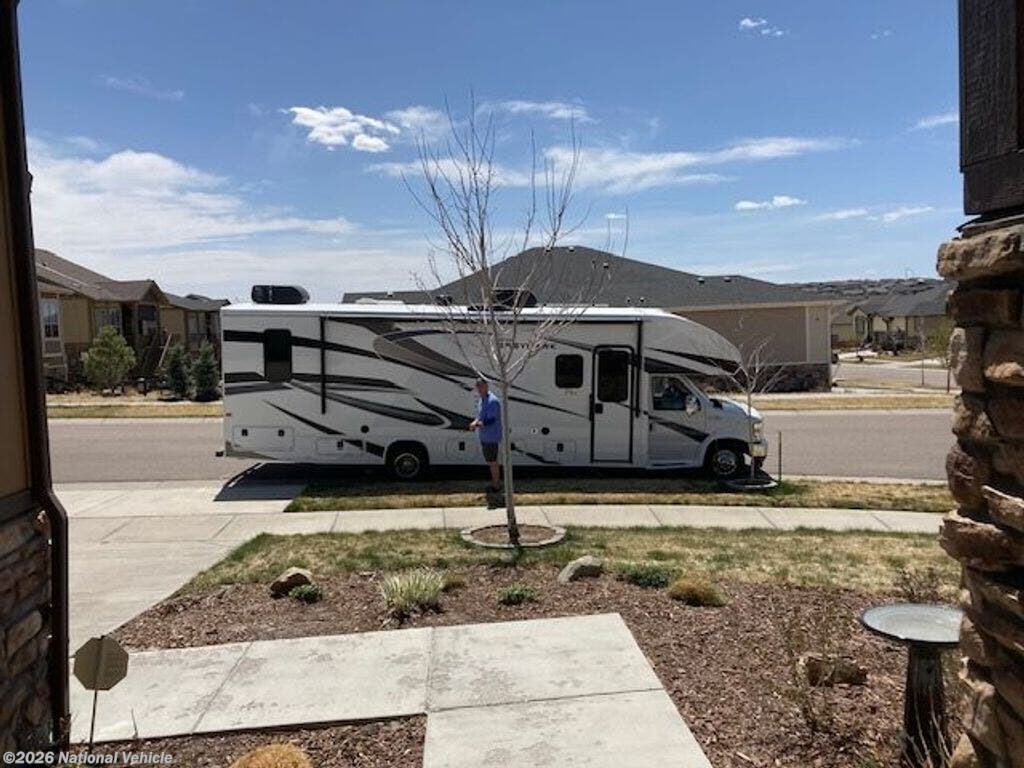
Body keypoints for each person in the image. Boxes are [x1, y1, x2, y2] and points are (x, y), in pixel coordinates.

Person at [469, 377, 502, 491]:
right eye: (477, 386)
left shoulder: (493, 401)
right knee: (490, 461)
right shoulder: (482, 399)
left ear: (486, 386)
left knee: (493, 462)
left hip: (491, 437)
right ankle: (494, 483)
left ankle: (496, 485)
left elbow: (491, 420)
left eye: (481, 386)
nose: (479, 389)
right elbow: (480, 416)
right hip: (484, 436)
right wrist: (475, 422)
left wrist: (477, 425)